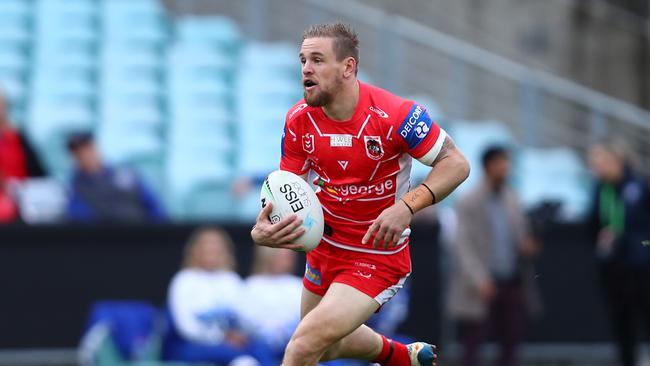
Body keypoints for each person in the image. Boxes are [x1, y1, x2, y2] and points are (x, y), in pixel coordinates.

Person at [251, 22, 470, 366]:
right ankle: (401, 357)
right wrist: (263, 230)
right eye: (303, 60)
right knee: (323, 348)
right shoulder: (297, 120)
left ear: (348, 67)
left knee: (302, 345)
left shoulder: (396, 115)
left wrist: (406, 208)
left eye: (318, 60)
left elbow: (456, 164)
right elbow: (287, 191)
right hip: (324, 250)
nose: (306, 68)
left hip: (375, 255)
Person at [446, 146, 539, 366]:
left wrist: (527, 245)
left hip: (511, 279)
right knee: (474, 342)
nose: (506, 168)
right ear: (488, 165)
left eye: (507, 162)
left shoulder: (512, 198)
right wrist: (479, 279)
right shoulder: (468, 200)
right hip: (482, 283)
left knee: (512, 337)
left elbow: (520, 236)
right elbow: (462, 245)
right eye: (501, 163)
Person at [164, 227, 276, 366]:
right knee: (240, 358)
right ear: (194, 250)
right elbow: (186, 328)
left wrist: (240, 334)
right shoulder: (184, 280)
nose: (211, 252)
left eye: (216, 247)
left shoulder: (231, 280)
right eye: (206, 247)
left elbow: (245, 317)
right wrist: (221, 338)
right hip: (189, 346)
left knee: (261, 350)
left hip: (230, 342)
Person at [587, 141, 650, 366]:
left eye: (602, 161)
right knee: (622, 326)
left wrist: (639, 245)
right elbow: (593, 226)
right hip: (614, 269)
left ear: (617, 161)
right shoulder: (600, 190)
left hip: (641, 269)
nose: (597, 167)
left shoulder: (640, 186)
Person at [66, 132, 166, 223]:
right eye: (78, 152)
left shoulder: (125, 174)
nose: (84, 155)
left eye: (87, 148)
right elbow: (80, 218)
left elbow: (154, 206)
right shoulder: (76, 187)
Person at [241, 246, 303, 359]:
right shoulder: (253, 284)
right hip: (260, 342)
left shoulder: (297, 284)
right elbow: (247, 317)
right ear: (269, 257)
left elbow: (303, 313)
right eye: (282, 257)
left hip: (293, 338)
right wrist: (267, 330)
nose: (288, 260)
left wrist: (287, 330)